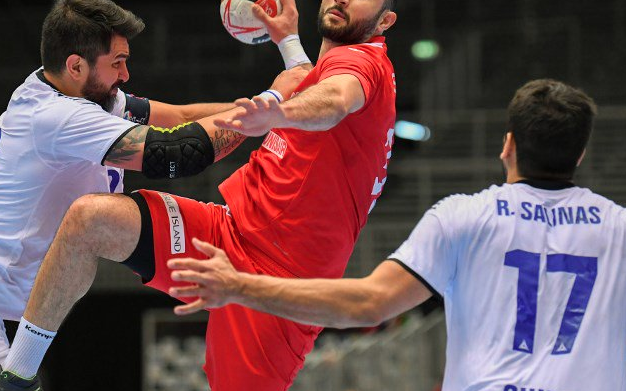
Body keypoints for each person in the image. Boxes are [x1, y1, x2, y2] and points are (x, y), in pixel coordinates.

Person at [0, 0, 407, 391]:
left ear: (384, 20)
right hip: (225, 235)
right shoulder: (328, 67)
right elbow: (309, 86)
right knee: (89, 219)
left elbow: (334, 100)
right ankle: (17, 377)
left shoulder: (364, 62)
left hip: (277, 287)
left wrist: (275, 112)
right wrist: (287, 44)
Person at [0, 0, 303, 391]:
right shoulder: (56, 117)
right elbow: (179, 151)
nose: (126, 74)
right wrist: (272, 99)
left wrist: (277, 107)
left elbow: (182, 117)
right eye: (116, 62)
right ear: (76, 65)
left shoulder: (84, 94)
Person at [169, 80, 621, 390]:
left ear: (508, 146)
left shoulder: (463, 218)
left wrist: (237, 286)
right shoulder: (619, 230)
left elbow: (368, 303)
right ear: (580, 154)